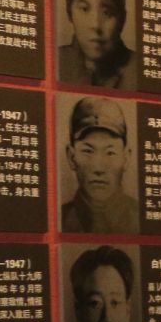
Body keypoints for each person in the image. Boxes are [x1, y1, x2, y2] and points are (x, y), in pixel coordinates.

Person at [58, 0, 136, 90]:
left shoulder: (137, 69)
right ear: (69, 10)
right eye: (84, 9)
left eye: (107, 13)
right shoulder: (57, 61)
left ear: (122, 19)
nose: (95, 24)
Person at [61, 98, 139, 234]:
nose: (99, 168)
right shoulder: (60, 220)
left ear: (126, 158)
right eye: (87, 151)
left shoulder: (141, 218)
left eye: (110, 152)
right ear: (71, 157)